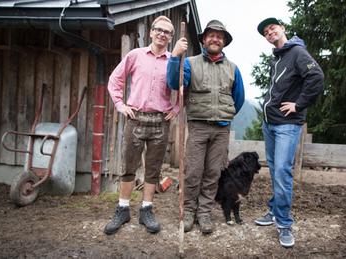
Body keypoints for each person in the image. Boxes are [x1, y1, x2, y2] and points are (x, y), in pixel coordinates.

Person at [167, 20, 245, 234]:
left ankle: (204, 212)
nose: (215, 39)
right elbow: (175, 84)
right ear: (203, 39)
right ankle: (189, 211)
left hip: (221, 129)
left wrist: (222, 114)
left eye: (219, 36)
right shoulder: (190, 62)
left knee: (213, 173)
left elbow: (238, 99)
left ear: (224, 42)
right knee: (193, 171)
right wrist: (175, 57)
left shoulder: (233, 69)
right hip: (198, 127)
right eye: (211, 35)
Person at [104, 15, 179, 235]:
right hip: (135, 118)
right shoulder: (135, 55)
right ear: (151, 32)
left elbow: (185, 89)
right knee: (128, 166)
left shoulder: (173, 62)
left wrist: (175, 109)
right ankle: (123, 209)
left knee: (153, 170)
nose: (162, 34)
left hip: (160, 122)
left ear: (171, 38)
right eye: (159, 30)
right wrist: (120, 104)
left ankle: (146, 210)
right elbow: (115, 79)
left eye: (167, 32)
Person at [254, 17, 324, 247]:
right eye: (266, 32)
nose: (269, 32)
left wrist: (299, 104)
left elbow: (316, 77)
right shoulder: (278, 58)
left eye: (272, 28)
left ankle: (284, 224)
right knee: (275, 170)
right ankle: (274, 211)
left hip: (287, 124)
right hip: (270, 124)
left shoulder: (297, 53)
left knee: (283, 172)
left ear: (282, 28)